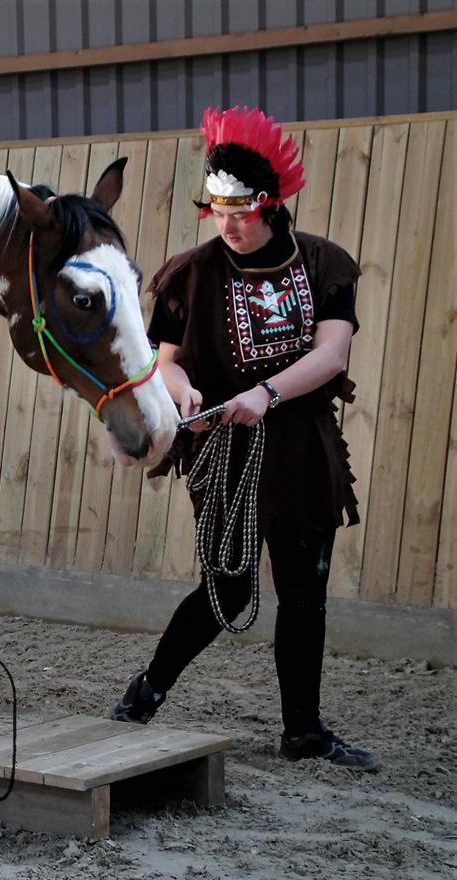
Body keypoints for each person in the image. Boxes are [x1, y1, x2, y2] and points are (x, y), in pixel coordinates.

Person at [109, 107, 379, 771]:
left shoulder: (323, 266)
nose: (228, 225)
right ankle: (146, 691)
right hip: (224, 447)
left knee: (303, 589)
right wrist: (183, 393)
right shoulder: (190, 274)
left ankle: (304, 732)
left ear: (270, 204)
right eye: (217, 211)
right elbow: (165, 358)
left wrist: (269, 393)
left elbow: (333, 353)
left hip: (301, 448)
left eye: (241, 213)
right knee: (226, 588)